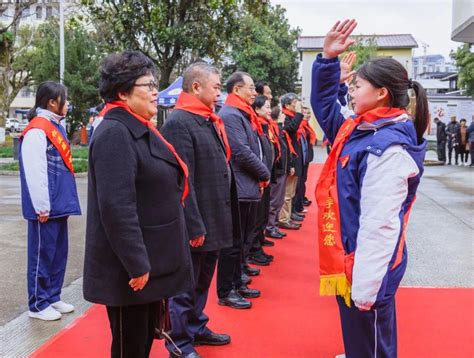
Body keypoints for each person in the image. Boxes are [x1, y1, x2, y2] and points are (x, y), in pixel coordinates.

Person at [311, 19, 429, 357]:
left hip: (367, 267)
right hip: (352, 259)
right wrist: (327, 61)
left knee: (371, 344)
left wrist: (366, 287)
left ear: (381, 94)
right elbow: (324, 108)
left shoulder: (387, 146)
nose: (351, 90)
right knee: (361, 342)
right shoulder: (361, 129)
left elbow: (381, 223)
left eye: (358, 85)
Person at [83, 51, 193, 358]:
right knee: (129, 346)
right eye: (148, 84)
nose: (156, 91)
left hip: (150, 258)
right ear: (122, 92)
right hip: (130, 269)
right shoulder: (115, 133)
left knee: (143, 340)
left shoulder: (138, 126)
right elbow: (117, 206)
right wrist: (137, 263)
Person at [160, 62, 235, 357]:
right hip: (197, 221)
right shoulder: (179, 122)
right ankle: (178, 340)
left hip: (214, 215)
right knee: (185, 285)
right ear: (196, 87)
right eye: (216, 87)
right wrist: (194, 225)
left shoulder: (206, 119)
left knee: (203, 281)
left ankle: (195, 325)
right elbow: (182, 179)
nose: (219, 93)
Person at [19, 81, 81, 321]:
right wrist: (42, 205)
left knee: (57, 253)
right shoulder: (37, 130)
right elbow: (36, 172)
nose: (67, 105)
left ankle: (52, 295)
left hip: (59, 203)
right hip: (45, 206)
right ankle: (37, 303)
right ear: (51, 102)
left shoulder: (56, 126)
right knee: (42, 255)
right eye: (64, 100)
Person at [217, 71, 271, 309]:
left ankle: (237, 282)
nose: (254, 92)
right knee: (232, 243)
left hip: (247, 186)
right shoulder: (230, 114)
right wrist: (264, 172)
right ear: (236, 90)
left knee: (240, 241)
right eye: (250, 88)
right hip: (238, 187)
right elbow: (241, 151)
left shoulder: (243, 113)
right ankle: (226, 289)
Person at [247, 95, 277, 264]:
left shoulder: (264, 126)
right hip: (258, 178)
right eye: (266, 107)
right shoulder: (255, 126)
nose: (269, 110)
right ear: (257, 109)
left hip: (266, 175)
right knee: (256, 218)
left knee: (263, 214)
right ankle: (253, 250)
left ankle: (257, 245)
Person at [280, 93, 305, 225]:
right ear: (287, 105)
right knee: (287, 193)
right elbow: (290, 129)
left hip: (296, 158)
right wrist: (299, 114)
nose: (297, 104)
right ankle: (283, 219)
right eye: (295, 102)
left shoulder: (292, 117)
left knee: (291, 191)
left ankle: (288, 216)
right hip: (290, 159)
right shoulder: (285, 117)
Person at [265, 106, 289, 238]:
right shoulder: (275, 128)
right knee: (274, 201)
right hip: (277, 170)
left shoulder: (279, 128)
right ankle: (270, 227)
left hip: (283, 168)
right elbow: (277, 143)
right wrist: (279, 123)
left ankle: (274, 225)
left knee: (279, 200)